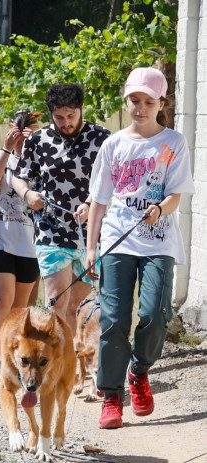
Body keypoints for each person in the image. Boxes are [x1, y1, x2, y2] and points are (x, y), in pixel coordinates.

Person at [85, 67, 194, 429]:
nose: (141, 108)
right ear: (126, 100)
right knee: (114, 319)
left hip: (158, 240)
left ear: (161, 103)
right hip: (117, 240)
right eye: (135, 100)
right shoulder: (113, 144)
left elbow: (177, 194)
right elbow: (99, 201)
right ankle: (112, 395)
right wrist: (90, 248)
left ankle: (139, 371)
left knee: (156, 314)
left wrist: (161, 208)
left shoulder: (174, 142)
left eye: (149, 102)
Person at [14, 83, 111, 336]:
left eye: (71, 115)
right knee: (56, 302)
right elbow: (19, 176)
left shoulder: (102, 138)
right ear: (50, 114)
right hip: (51, 231)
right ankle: (57, 370)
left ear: (81, 109)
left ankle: (75, 364)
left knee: (79, 308)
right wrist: (27, 194)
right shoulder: (37, 140)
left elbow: (110, 181)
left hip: (90, 234)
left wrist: (90, 203)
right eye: (59, 117)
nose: (66, 122)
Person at [0, 111, 41, 381]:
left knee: (19, 309)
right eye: (21, 127)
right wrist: (6, 148)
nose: (25, 133)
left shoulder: (42, 158)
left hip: (30, 244)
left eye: (32, 129)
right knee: (2, 299)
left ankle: (13, 358)